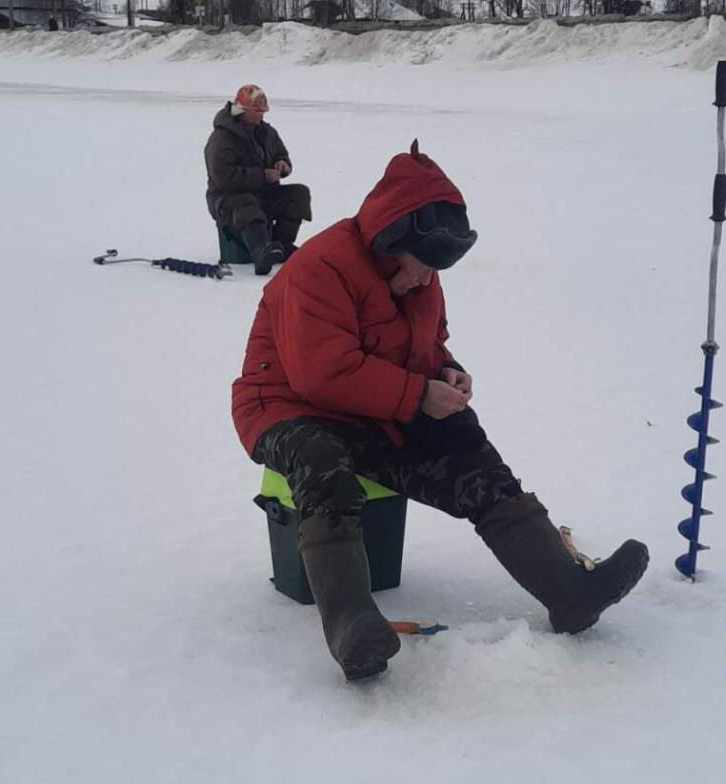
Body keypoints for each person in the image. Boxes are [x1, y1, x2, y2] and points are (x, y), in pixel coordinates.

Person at [231, 142, 649, 681]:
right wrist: (415, 393)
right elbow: (320, 374)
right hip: (286, 407)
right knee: (320, 458)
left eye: (435, 271)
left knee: (457, 432)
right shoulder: (319, 267)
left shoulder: (421, 274)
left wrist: (446, 372)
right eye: (419, 268)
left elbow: (426, 346)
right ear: (389, 244)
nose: (427, 281)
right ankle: (351, 624)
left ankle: (570, 593)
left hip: (372, 412)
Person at [204, 84, 312, 275]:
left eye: (263, 112)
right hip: (228, 200)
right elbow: (223, 178)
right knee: (247, 204)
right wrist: (262, 175)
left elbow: (281, 154)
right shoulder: (221, 138)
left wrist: (282, 164)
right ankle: (260, 253)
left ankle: (282, 246)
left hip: (263, 193)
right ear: (242, 110)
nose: (261, 116)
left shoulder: (267, 132)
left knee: (299, 195)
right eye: (257, 112)